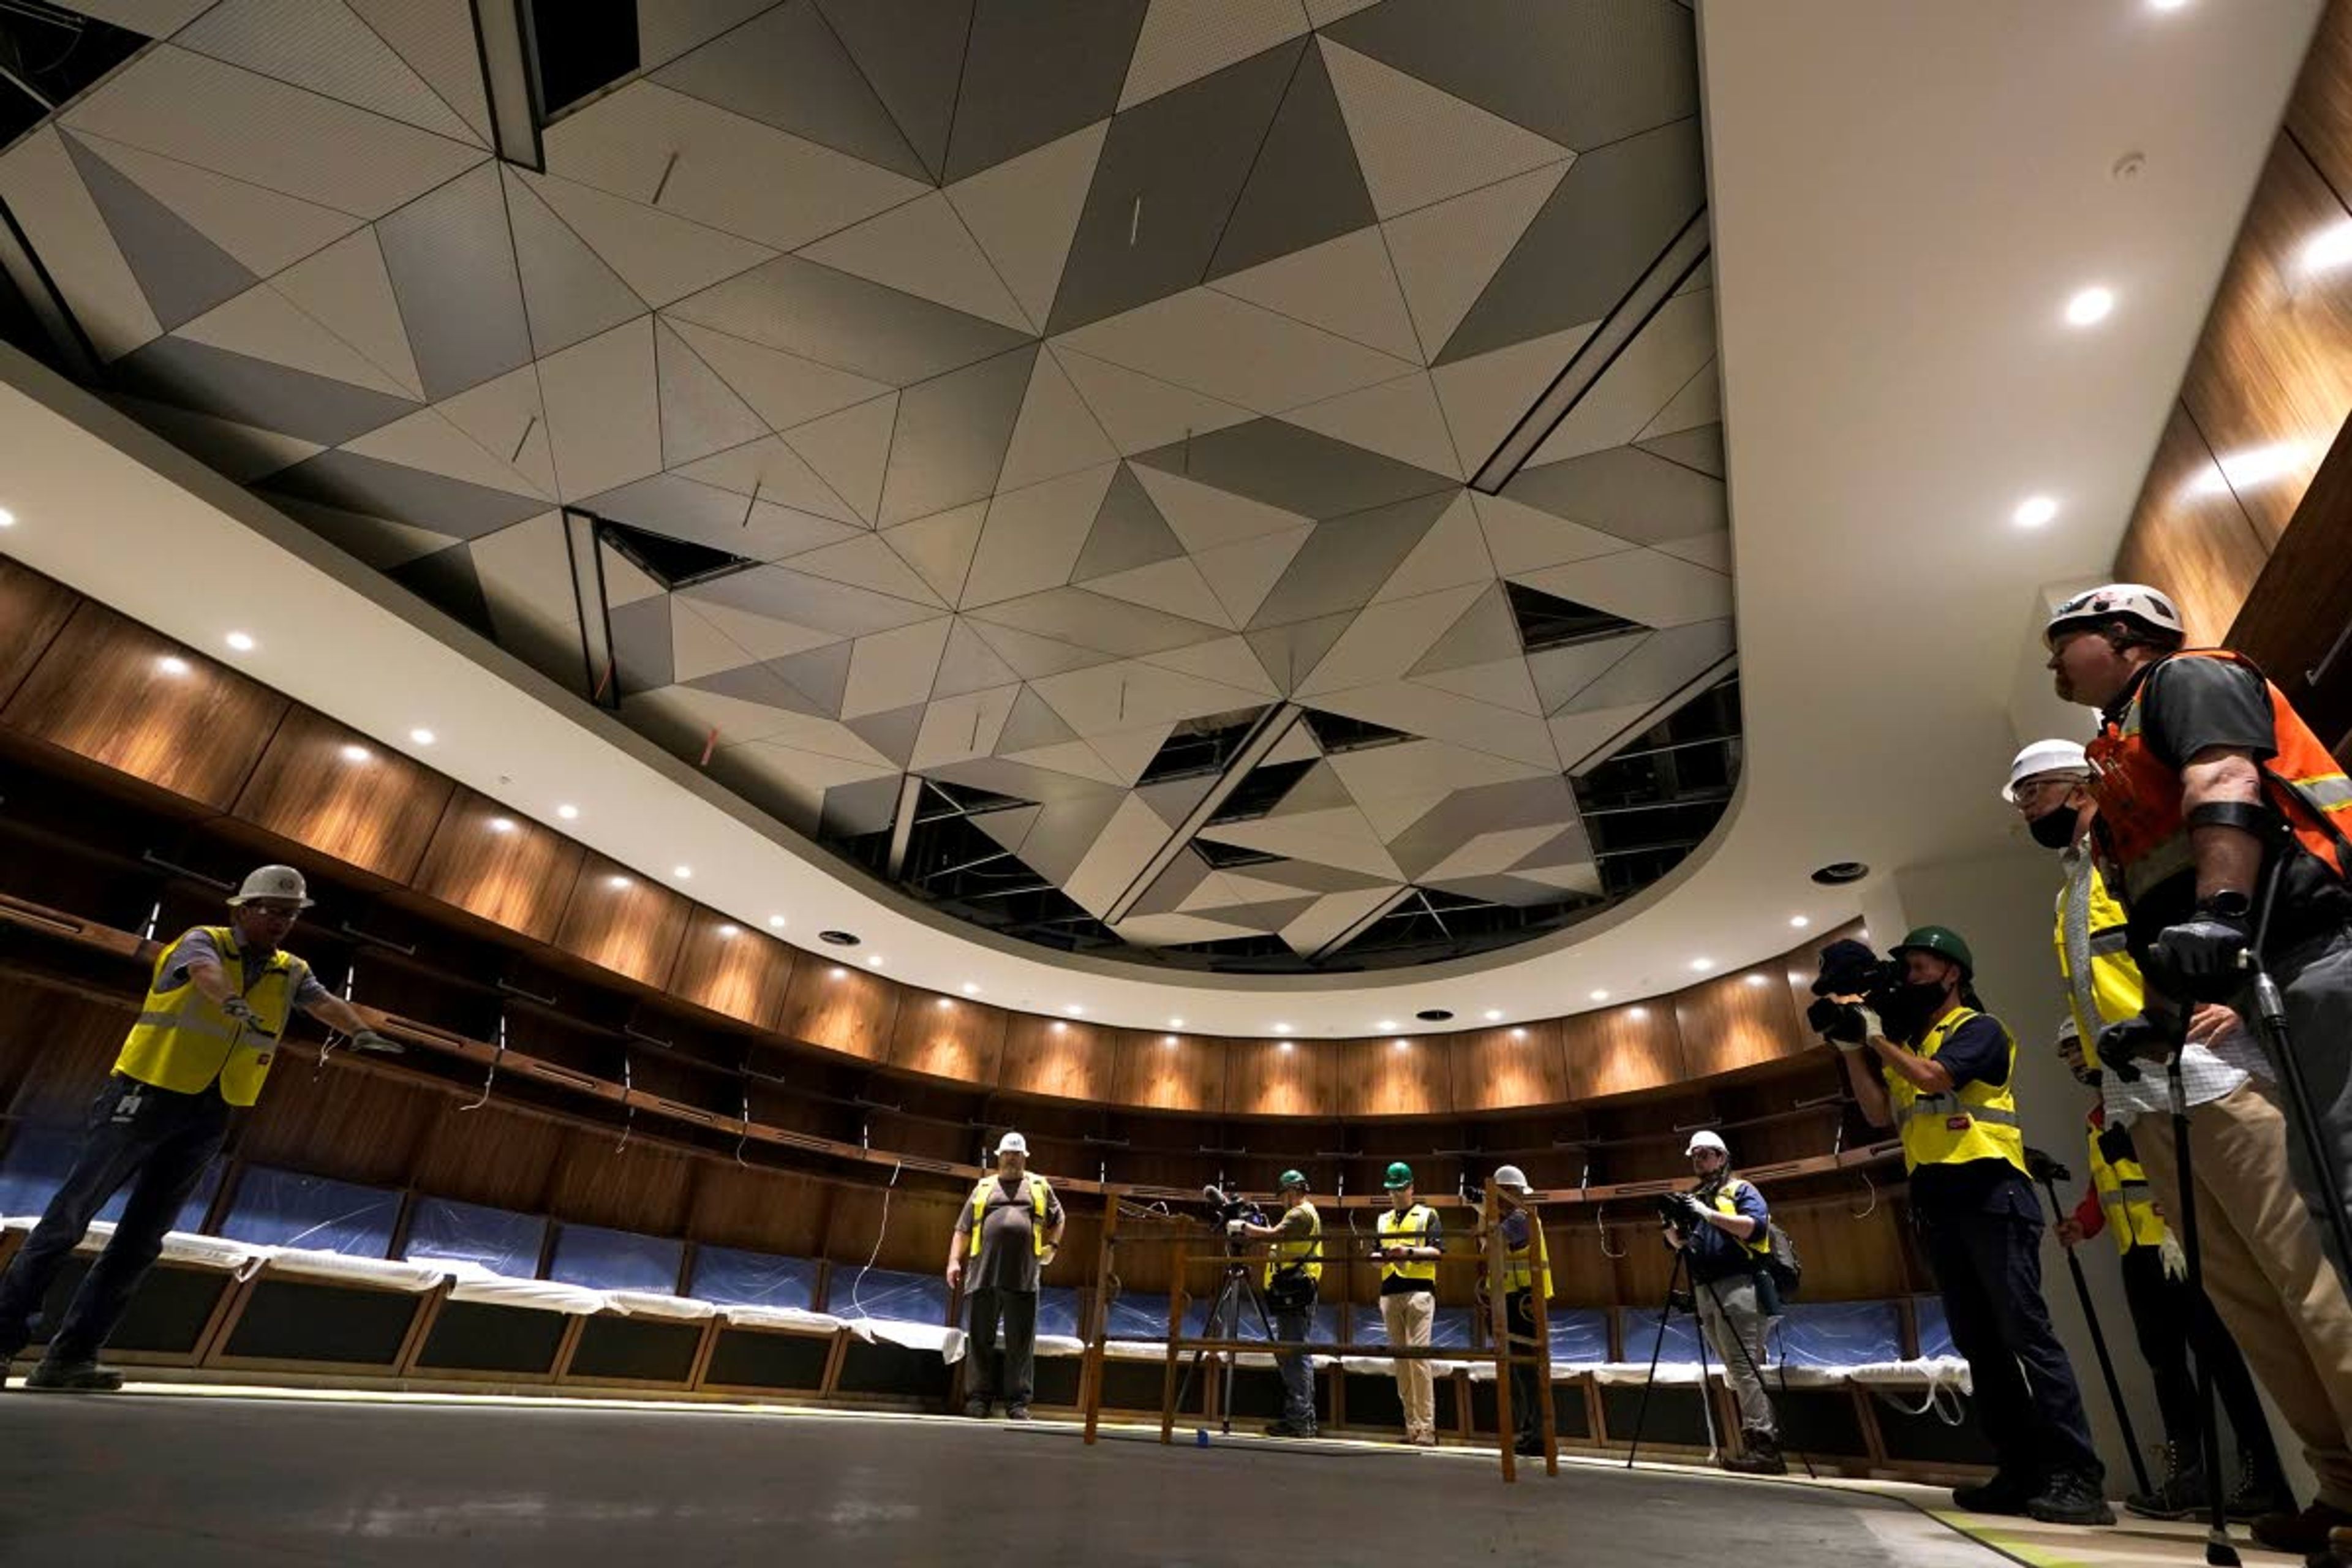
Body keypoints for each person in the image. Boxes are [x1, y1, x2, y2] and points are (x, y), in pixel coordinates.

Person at [2010, 735, 2352, 1551]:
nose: (2030, 813)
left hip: (2219, 1084)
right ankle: (2340, 1486)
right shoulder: (2077, 886)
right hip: (2145, 1102)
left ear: (2079, 785)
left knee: (2310, 1285)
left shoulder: (2155, 850)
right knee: (2251, 1306)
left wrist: (2232, 1000)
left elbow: (2238, 915)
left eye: (2034, 795)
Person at [2043, 585, 2352, 1300]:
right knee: (2324, 1184)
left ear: (2123, 633)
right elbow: (2155, 901)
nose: (2053, 661)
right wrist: (2161, 1014)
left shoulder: (2185, 678)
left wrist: (2223, 910)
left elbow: (2226, 778)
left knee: (2342, 1173)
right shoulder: (2117, 753)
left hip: (2317, 943)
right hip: (2269, 965)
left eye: (2065, 642)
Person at [0, 865, 399, 1391]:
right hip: (145, 1095)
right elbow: (205, 974)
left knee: (142, 1241)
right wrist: (231, 1002)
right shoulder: (201, 941)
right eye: (272, 911)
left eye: (290, 915)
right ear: (242, 908)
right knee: (66, 1221)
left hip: (212, 1110)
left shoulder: (290, 970)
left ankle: (70, 1358)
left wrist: (360, 1033)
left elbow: (322, 1001)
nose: (281, 922)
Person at [1831, 925, 2113, 1525]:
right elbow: (1880, 1112)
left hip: (1992, 1194)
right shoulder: (1913, 1040)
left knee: (2027, 1337)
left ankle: (2077, 1475)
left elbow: (1937, 1079)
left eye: (1917, 968)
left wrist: (1878, 1037)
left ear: (1951, 972)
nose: (1907, 980)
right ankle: (2021, 1470)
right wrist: (1855, 1049)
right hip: (1939, 1203)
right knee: (1981, 1348)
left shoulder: (1977, 1029)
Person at [2049, 1022, 2290, 1523]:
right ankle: (2189, 1477)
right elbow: (2106, 1186)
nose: (2074, 1063)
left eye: (2078, 1049)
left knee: (2220, 1360)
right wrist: (2083, 1224)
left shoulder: (2145, 1102)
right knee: (2165, 1364)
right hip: (2137, 1253)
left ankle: (2262, 1475)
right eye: (2067, 1054)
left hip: (2178, 1245)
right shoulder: (2100, 1118)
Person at [1661, 1131, 1784, 1475]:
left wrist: (1705, 1212)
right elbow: (1683, 1244)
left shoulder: (1741, 1190)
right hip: (1705, 1287)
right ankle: (1753, 1442)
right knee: (1733, 1368)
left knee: (1744, 1367)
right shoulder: (1693, 1197)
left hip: (1740, 1284)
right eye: (1694, 1156)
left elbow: (1754, 1230)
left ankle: (1765, 1447)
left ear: (1721, 1156)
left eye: (1704, 1155)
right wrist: (1672, 1230)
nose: (1699, 1161)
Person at [949, 1131, 1063, 1421]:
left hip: (1024, 1278)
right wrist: (953, 1261)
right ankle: (978, 1400)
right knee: (979, 1341)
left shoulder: (1039, 1186)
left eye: (1016, 1154)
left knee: (1021, 1344)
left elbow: (1059, 1218)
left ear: (1025, 1158)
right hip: (982, 1276)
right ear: (999, 1157)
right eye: (1007, 1154)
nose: (1011, 1159)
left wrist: (1054, 1247)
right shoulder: (983, 1188)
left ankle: (1018, 1403)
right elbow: (962, 1229)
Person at [1231, 1169, 1321, 1438]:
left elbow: (1276, 1235)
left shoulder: (1300, 1213)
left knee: (1294, 1357)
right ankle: (1303, 1419)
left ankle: (1299, 1421)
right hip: (1291, 1292)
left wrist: (1243, 1227)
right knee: (1295, 1355)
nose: (1282, 1200)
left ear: (1291, 1192)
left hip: (1296, 1292)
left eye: (1283, 1195)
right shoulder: (1303, 1213)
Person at [1480, 1164, 1550, 1458]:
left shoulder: (1521, 1219)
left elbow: (1490, 1245)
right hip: (1515, 1301)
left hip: (1524, 1304)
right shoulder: (1517, 1218)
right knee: (1521, 1372)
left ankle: (1537, 1434)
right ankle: (1530, 1431)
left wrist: (1482, 1212)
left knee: (1528, 1371)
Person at [1373, 1161, 1442, 1446]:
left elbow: (1438, 1251)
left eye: (1400, 1189)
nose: (1396, 1195)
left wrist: (1409, 1252)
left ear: (1412, 1188)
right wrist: (1381, 1257)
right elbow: (1375, 1254)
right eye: (1392, 1190)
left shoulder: (1428, 1215)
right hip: (1389, 1292)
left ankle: (1427, 1429)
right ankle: (1411, 1427)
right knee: (1401, 1362)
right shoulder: (1382, 1219)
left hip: (1419, 1292)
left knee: (1418, 1359)